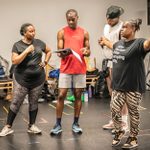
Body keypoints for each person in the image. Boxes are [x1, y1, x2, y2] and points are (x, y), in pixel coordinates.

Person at [99, 18, 150, 149]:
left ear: (133, 29)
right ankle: (120, 130)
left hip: (133, 86)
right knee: (114, 109)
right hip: (118, 86)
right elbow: (110, 45)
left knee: (133, 112)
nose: (121, 29)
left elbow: (148, 44)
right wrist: (103, 41)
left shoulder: (140, 43)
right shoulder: (118, 44)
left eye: (124, 27)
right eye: (121, 27)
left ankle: (133, 138)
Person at [0, 23, 51, 136]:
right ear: (24, 33)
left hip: (38, 78)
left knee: (34, 102)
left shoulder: (39, 43)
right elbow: (15, 61)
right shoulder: (17, 45)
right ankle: (8, 126)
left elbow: (49, 51)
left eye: (34, 31)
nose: (33, 33)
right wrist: (26, 51)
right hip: (21, 79)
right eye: (30, 31)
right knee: (16, 102)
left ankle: (32, 125)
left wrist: (45, 62)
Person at [50, 9, 90, 135]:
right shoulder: (61, 32)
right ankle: (57, 124)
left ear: (77, 17)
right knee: (61, 95)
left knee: (78, 96)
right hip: (66, 68)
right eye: (69, 19)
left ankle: (76, 123)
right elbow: (60, 52)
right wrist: (63, 53)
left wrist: (86, 51)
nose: (71, 21)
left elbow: (88, 51)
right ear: (66, 19)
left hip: (79, 68)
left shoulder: (85, 32)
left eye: (73, 19)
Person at [99, 5, 128, 132]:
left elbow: (122, 48)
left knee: (121, 94)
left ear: (117, 18)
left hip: (118, 63)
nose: (108, 21)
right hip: (107, 62)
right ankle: (115, 120)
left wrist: (107, 43)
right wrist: (102, 43)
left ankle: (125, 123)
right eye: (107, 18)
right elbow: (106, 43)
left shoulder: (122, 28)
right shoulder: (106, 27)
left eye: (111, 19)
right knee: (112, 94)